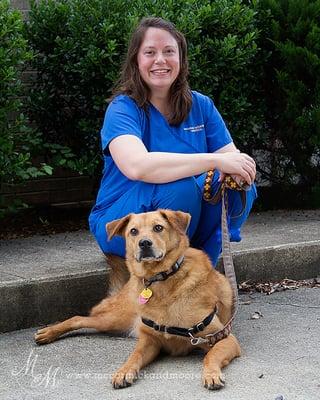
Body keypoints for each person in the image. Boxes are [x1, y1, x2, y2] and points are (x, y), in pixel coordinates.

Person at [89, 17, 257, 266]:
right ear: (136, 59)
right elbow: (138, 166)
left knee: (239, 185)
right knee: (181, 187)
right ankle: (165, 277)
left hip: (183, 220)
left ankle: (202, 268)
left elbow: (232, 160)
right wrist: (215, 160)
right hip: (122, 222)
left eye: (169, 52)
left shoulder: (201, 105)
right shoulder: (122, 109)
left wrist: (237, 169)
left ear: (181, 59)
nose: (160, 60)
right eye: (150, 52)